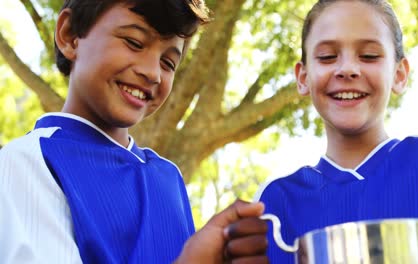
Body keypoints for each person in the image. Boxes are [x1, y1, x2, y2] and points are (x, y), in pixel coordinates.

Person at [0, 0, 268, 263]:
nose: (153, 73)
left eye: (168, 63)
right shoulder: (26, 162)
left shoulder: (168, 178)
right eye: (134, 43)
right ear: (70, 35)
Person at [254, 0, 418, 263]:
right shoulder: (273, 201)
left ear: (399, 74)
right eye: (327, 57)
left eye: (368, 56)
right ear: (303, 77)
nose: (347, 69)